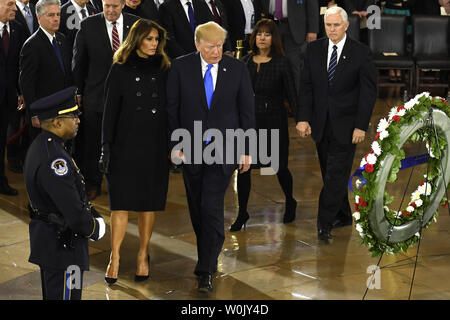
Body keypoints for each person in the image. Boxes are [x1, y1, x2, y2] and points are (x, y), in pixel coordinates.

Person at [167, 21, 254, 292]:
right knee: (196, 207)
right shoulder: (181, 67)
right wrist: (175, 143)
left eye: (219, 46)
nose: (216, 51)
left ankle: (205, 267)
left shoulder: (237, 69)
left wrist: (247, 149)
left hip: (225, 149)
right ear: (197, 45)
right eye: (210, 47)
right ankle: (208, 254)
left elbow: (246, 111)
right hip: (191, 149)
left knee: (211, 205)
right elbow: (172, 108)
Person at [296, 6, 376, 242]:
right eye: (328, 25)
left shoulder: (360, 52)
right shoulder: (313, 50)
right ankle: (343, 215)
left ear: (346, 26)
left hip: (348, 126)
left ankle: (324, 224)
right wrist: (303, 118)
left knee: (335, 175)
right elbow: (306, 87)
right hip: (321, 125)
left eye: (336, 25)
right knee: (330, 174)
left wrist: (361, 126)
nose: (331, 29)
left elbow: (368, 93)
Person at [99, 18, 170, 284]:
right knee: (121, 204)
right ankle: (114, 257)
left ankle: (143, 254)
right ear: (137, 38)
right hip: (124, 144)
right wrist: (105, 148)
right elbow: (109, 113)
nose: (154, 44)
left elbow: (170, 109)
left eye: (156, 39)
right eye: (149, 39)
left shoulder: (164, 67)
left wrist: (174, 145)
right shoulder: (119, 69)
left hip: (154, 144)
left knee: (148, 203)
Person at [24, 86, 106, 300]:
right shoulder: (54, 160)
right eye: (73, 115)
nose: (78, 120)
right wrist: (96, 228)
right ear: (57, 122)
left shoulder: (44, 146)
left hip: (53, 245)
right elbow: (71, 209)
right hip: (64, 249)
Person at [230, 18, 298, 232]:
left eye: (267, 34)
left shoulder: (282, 62)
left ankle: (290, 200)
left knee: (279, 167)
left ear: (273, 38)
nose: (262, 38)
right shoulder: (246, 62)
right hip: (249, 124)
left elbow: (292, 95)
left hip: (273, 122)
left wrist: (301, 120)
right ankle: (242, 212)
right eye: (259, 34)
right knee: (243, 167)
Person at [72, 0, 139, 200]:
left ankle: (122, 183)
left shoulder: (137, 25)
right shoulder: (87, 25)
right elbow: (78, 63)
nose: (110, 10)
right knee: (93, 143)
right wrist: (78, 93)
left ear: (123, 5)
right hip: (95, 96)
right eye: (106, 5)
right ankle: (92, 183)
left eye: (115, 6)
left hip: (128, 99)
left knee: (124, 142)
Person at [19, 0, 73, 142]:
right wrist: (34, 113)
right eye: (50, 15)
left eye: (58, 14)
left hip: (62, 109)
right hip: (44, 112)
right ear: (39, 18)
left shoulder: (62, 39)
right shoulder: (31, 45)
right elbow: (26, 83)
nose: (56, 18)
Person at [256, 0, 319, 94]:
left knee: (293, 66)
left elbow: (312, 5)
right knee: (270, 65)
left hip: (294, 28)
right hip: (270, 26)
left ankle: (295, 102)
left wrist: (312, 29)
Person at [1, 0, 25, 194]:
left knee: (2, 141)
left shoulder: (16, 29)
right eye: (10, 4)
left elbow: (19, 65)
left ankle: (1, 181)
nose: (15, 8)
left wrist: (20, 92)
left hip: (8, 98)